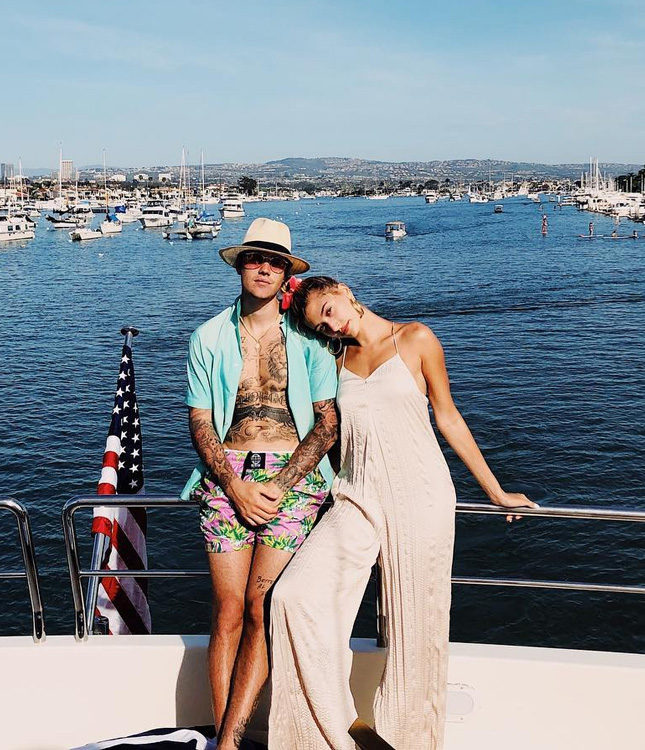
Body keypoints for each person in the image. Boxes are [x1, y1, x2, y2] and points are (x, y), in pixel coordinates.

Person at [269, 277, 538, 750]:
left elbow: (447, 416)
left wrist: (494, 491)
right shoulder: (335, 361)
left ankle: (410, 742)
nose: (333, 325)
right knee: (293, 597)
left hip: (420, 497)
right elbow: (332, 433)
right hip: (356, 497)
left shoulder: (415, 338)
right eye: (322, 325)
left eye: (330, 310)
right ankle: (333, 734)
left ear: (345, 291)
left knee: (416, 633)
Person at [181, 220, 338, 749]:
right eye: (255, 258)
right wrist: (235, 486)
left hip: (293, 479)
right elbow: (200, 420)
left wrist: (280, 484)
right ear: (241, 265)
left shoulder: (311, 339)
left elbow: (327, 423)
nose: (265, 267)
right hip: (227, 474)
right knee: (227, 610)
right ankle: (224, 740)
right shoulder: (208, 337)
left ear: (287, 272)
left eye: (275, 261)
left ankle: (230, 737)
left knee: (260, 606)